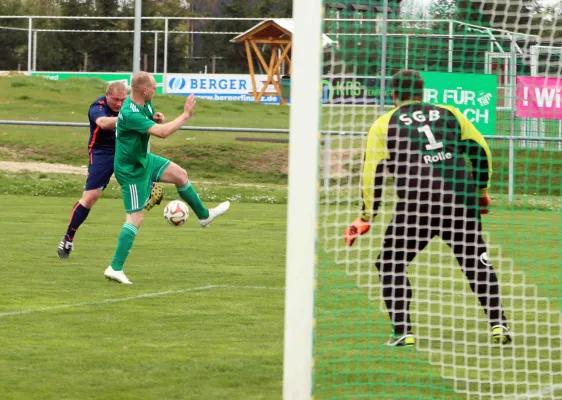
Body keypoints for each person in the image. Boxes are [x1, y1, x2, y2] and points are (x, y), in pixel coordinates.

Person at [344, 69, 512, 347]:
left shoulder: (384, 123)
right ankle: (498, 325)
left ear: (394, 94)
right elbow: (480, 150)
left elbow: (371, 172)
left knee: (390, 262)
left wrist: (366, 216)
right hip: (459, 200)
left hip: (417, 205)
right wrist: (481, 190)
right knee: (475, 262)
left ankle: (403, 332)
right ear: (422, 92)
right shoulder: (450, 113)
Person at [104, 71, 230, 284]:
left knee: (180, 175)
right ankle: (115, 268)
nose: (156, 89)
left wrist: (154, 118)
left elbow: (148, 123)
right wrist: (185, 116)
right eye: (154, 87)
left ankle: (204, 216)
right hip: (131, 170)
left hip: (144, 159)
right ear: (145, 90)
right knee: (135, 218)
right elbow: (162, 133)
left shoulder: (146, 105)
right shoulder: (129, 111)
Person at [58, 82, 164, 259]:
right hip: (102, 153)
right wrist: (126, 117)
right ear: (107, 96)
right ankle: (68, 237)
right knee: (90, 197)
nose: (119, 104)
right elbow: (104, 123)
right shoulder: (97, 107)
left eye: (123, 100)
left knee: (152, 189)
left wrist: (155, 118)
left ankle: (147, 188)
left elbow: (147, 119)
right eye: (115, 100)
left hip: (126, 151)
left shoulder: (132, 105)